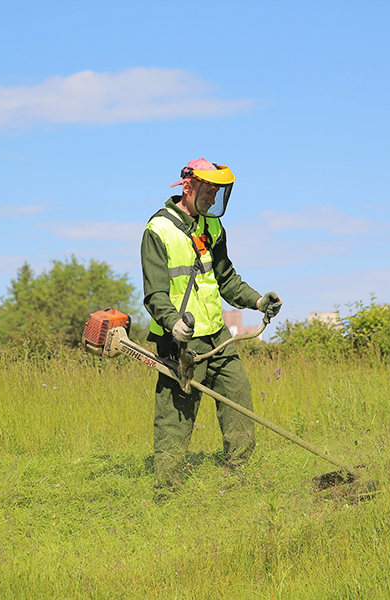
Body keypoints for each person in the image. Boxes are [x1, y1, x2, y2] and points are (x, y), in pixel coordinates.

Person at [141, 158, 282, 490]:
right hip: (180, 343)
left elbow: (228, 280)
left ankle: (239, 476)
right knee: (176, 417)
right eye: (208, 190)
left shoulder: (213, 228)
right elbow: (155, 293)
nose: (212, 198)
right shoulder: (158, 230)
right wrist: (173, 323)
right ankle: (168, 488)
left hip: (218, 337)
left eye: (218, 192)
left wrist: (258, 301)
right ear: (188, 187)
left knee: (239, 400)